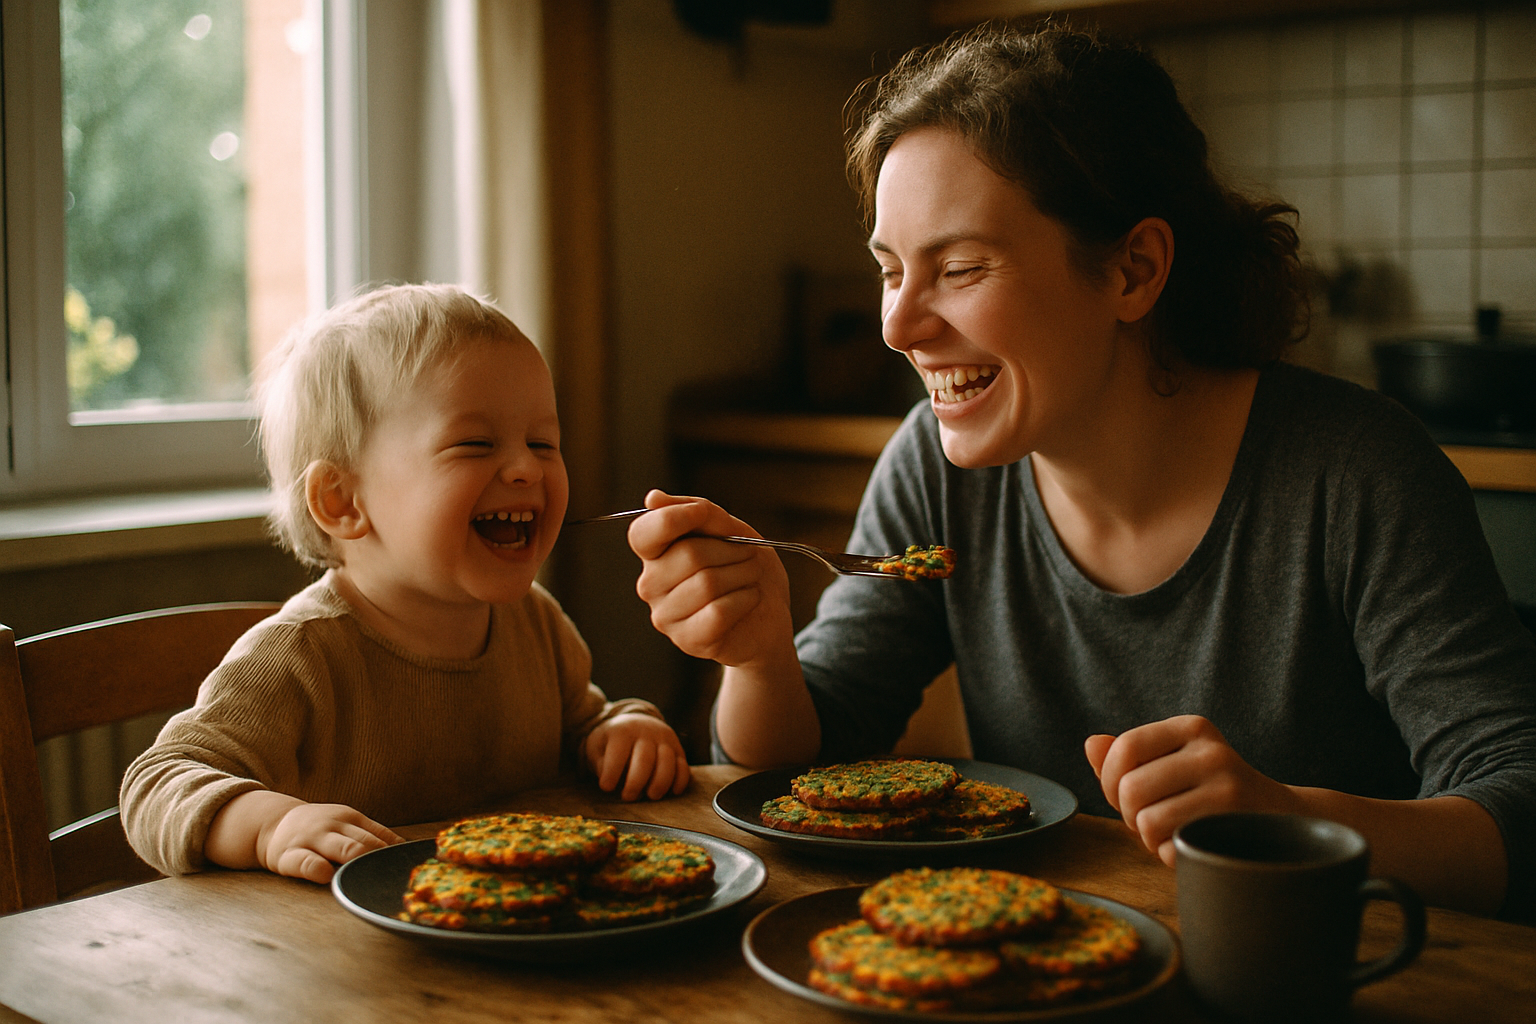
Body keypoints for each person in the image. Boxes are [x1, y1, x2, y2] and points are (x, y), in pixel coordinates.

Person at [627, 24, 1536, 921]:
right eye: (890, 270)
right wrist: (756, 656)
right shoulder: (936, 469)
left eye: (961, 266)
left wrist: (1293, 822)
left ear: (1133, 271)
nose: (897, 327)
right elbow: (801, 768)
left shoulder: (1356, 475)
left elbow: (1519, 808)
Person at [121, 283, 690, 885]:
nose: (527, 468)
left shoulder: (536, 622)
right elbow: (157, 784)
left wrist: (623, 730)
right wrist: (270, 827)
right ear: (342, 502)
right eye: (475, 444)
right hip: (342, 959)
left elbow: (584, 723)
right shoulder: (298, 656)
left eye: (543, 442)